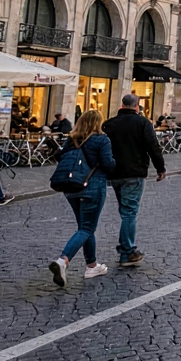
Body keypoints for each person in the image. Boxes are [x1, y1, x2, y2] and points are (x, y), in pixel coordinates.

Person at [48, 109, 117, 286]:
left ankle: (92, 265)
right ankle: (63, 260)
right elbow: (108, 164)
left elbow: (61, 157)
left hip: (70, 187)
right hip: (92, 186)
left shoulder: (72, 139)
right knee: (87, 227)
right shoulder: (102, 139)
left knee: (85, 227)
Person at [102, 93, 165, 267]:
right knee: (129, 212)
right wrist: (160, 168)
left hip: (114, 173)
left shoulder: (109, 124)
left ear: (122, 105)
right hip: (134, 172)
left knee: (125, 210)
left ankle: (127, 249)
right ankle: (127, 252)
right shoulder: (143, 123)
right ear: (136, 106)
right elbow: (153, 146)